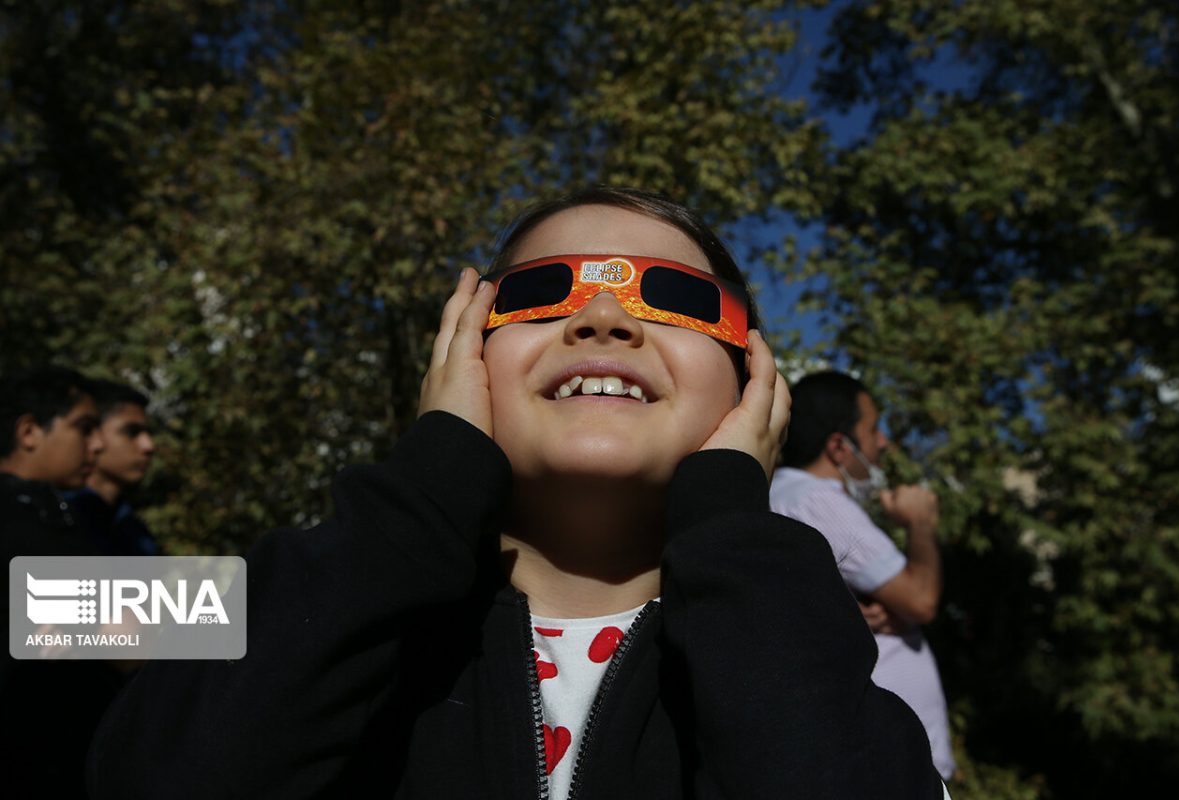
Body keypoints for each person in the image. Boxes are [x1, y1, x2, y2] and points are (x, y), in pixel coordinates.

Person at [89, 187, 946, 798]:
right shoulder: (315, 579)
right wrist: (427, 488)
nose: (604, 317)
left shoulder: (800, 629)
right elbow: (118, 725)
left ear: (753, 381)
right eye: (541, 291)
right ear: (460, 352)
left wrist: (732, 522)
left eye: (675, 296)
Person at [769, 370, 956, 779]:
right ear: (839, 446)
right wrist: (920, 523)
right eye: (873, 430)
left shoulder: (783, 496)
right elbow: (920, 599)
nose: (882, 443)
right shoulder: (818, 501)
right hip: (887, 768)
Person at [0, 366, 121, 797]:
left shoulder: (61, 515)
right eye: (84, 428)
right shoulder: (22, 518)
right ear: (30, 432)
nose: (98, 444)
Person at [67, 379, 159, 556]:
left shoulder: (134, 532)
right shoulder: (50, 519)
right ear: (93, 434)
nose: (148, 445)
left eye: (149, 433)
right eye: (131, 432)